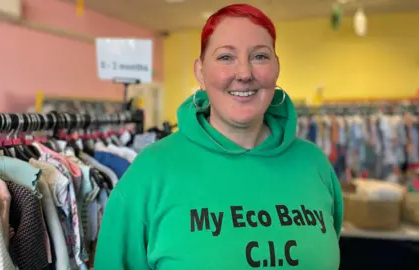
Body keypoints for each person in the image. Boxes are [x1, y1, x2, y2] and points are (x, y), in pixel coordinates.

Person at [95, 3, 343, 270]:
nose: (245, 73)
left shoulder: (314, 165)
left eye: (260, 56)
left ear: (276, 68)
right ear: (200, 72)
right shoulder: (150, 173)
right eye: (226, 57)